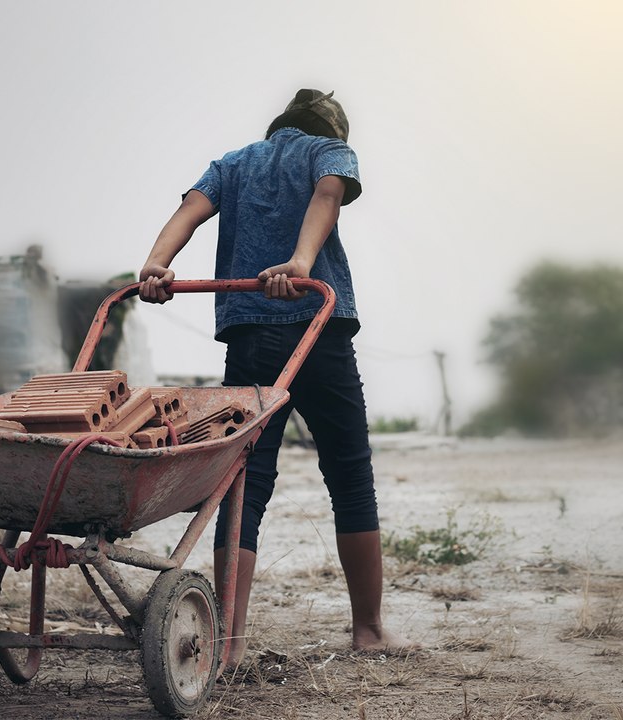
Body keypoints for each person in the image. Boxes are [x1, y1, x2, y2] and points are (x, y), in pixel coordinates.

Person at [137, 89, 416, 665]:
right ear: (331, 130)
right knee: (349, 476)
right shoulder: (330, 152)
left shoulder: (235, 163)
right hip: (320, 327)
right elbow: (330, 193)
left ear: (279, 125)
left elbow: (190, 210)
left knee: (245, 481)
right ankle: (368, 629)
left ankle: (230, 644)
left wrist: (156, 265)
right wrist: (303, 263)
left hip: (252, 337)